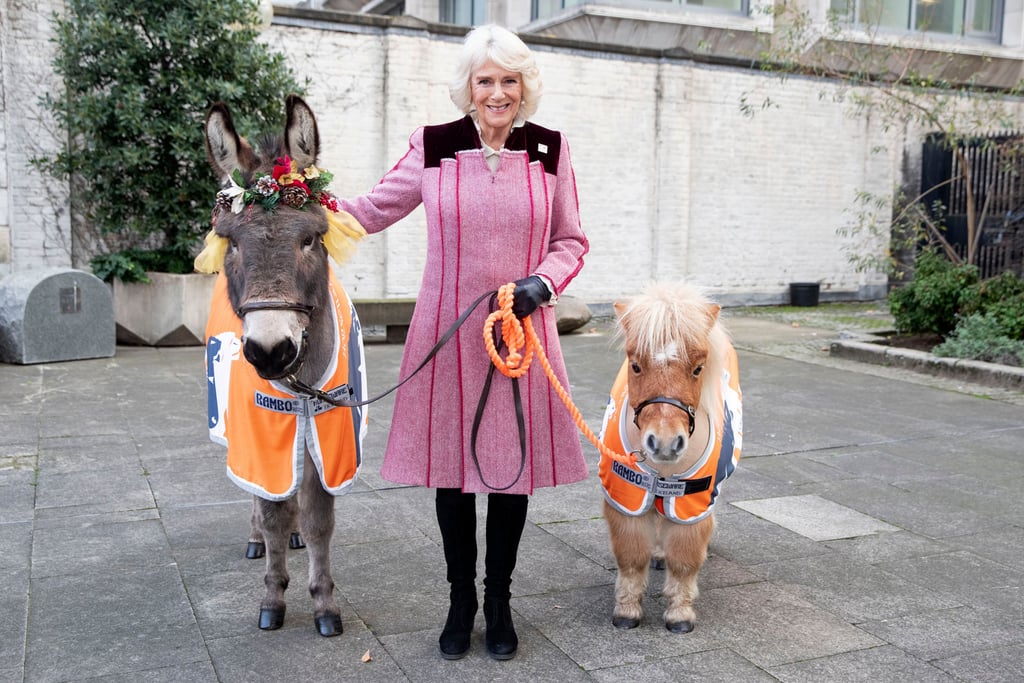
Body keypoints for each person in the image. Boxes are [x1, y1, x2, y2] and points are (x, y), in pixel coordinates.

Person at [338, 24, 589, 661]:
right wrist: (282, 199)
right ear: (469, 89)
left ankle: (499, 601)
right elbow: (367, 211)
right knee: (452, 474)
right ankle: (460, 601)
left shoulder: (550, 150)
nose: (498, 92)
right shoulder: (434, 145)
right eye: (486, 81)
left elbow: (571, 241)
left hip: (519, 334)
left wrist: (543, 281)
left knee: (511, 477)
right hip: (447, 335)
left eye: (510, 80)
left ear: (524, 86)